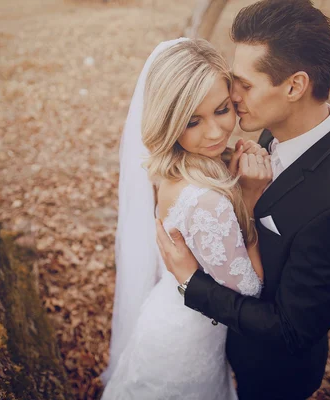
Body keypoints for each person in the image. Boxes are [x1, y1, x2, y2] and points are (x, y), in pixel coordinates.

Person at [156, 1, 330, 399]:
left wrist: (191, 282)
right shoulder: (273, 132)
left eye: (245, 84)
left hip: (270, 375)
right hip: (219, 348)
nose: (231, 94)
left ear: (294, 86)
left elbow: (289, 329)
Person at [100, 38, 272, 399]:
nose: (214, 132)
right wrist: (251, 198)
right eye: (193, 121)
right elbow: (250, 290)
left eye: (222, 110)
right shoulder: (205, 200)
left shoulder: (174, 166)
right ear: (169, 121)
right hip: (183, 350)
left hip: (173, 317)